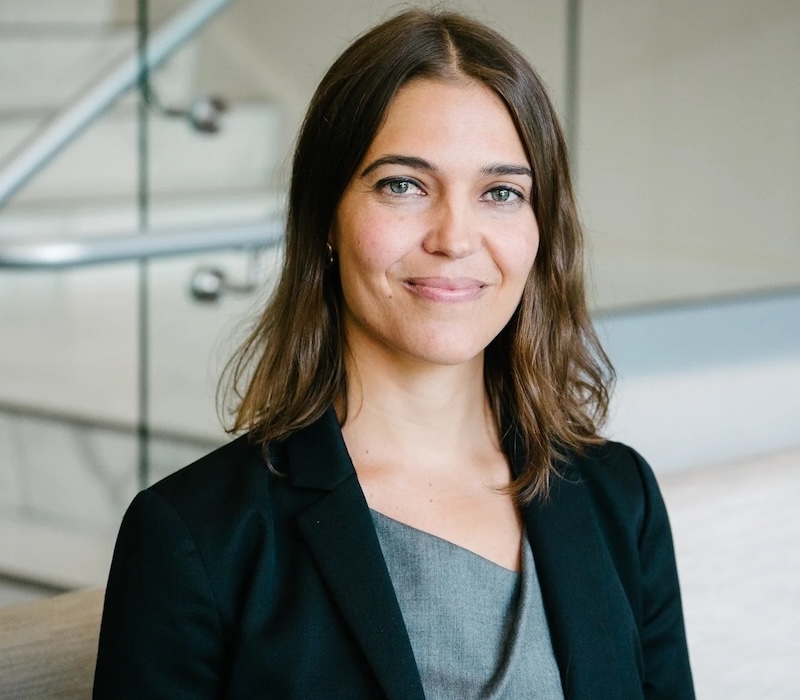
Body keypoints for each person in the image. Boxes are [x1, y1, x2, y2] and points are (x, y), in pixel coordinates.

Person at [93, 8, 694, 699]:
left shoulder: (621, 498)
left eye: (500, 192)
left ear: (539, 229)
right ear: (324, 217)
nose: (455, 237)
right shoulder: (195, 537)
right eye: (403, 185)